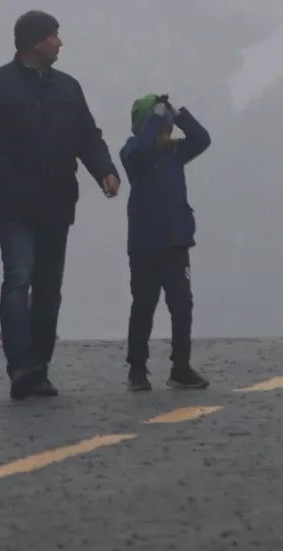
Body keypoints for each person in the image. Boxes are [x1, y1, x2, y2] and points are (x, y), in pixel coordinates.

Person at [0, 10, 120, 401]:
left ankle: (41, 367)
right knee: (19, 279)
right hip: (15, 207)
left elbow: (88, 136)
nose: (60, 42)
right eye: (54, 35)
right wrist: (8, 186)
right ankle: (21, 367)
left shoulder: (68, 88)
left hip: (56, 203)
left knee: (49, 288)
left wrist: (105, 170)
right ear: (35, 42)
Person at [119, 93, 213, 391]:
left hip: (175, 244)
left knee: (182, 306)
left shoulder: (175, 153)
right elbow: (143, 146)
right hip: (145, 245)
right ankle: (137, 369)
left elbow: (201, 138)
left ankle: (181, 367)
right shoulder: (133, 152)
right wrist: (157, 115)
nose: (167, 131)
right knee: (144, 307)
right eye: (162, 125)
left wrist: (177, 112)